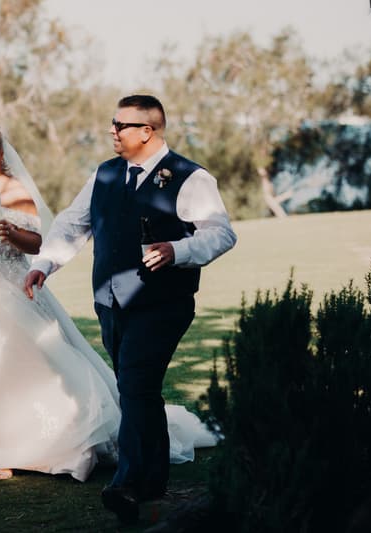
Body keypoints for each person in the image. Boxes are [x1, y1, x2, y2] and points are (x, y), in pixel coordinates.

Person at [0, 123, 216, 486]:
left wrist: (13, 234)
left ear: (1, 153)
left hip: (4, 290)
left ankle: (15, 452)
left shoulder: (13, 190)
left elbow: (36, 241)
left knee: (9, 368)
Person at [24, 95, 237, 523]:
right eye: (112, 123)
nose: (112, 131)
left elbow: (221, 234)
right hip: (110, 301)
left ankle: (129, 483)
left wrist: (178, 249)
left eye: (121, 125)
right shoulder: (104, 174)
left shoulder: (190, 177)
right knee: (136, 389)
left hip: (163, 303)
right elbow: (72, 224)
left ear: (147, 131)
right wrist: (44, 264)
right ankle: (153, 480)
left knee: (137, 383)